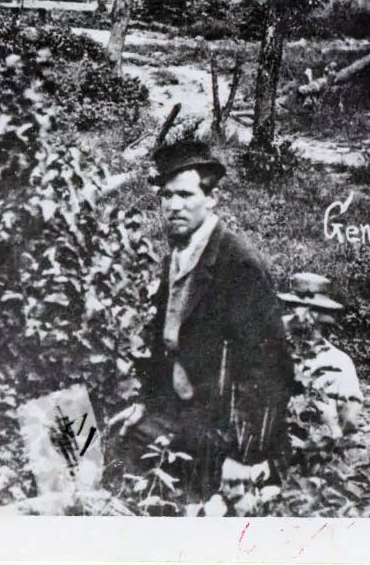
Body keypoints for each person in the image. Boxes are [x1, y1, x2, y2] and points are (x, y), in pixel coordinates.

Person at [111, 138, 294, 500]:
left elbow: (268, 366)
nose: (173, 206)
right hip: (178, 413)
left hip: (223, 428)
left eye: (185, 195)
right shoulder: (177, 258)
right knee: (115, 458)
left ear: (211, 199)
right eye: (166, 196)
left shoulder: (237, 264)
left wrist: (245, 454)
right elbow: (165, 344)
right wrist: (144, 403)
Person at [278, 272, 364, 443]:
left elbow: (349, 421)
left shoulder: (339, 362)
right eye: (293, 306)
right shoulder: (272, 350)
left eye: (305, 308)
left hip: (317, 452)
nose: (297, 314)